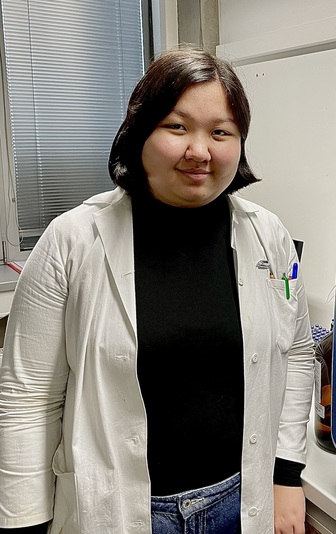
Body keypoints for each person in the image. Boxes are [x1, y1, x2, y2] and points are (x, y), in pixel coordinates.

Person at [0, 48, 315, 534]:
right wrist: (24, 523)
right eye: (177, 127)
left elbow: (296, 350)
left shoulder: (270, 236)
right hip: (118, 510)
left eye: (221, 132)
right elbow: (27, 397)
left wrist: (287, 473)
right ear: (139, 131)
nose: (200, 150)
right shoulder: (71, 240)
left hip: (240, 501)